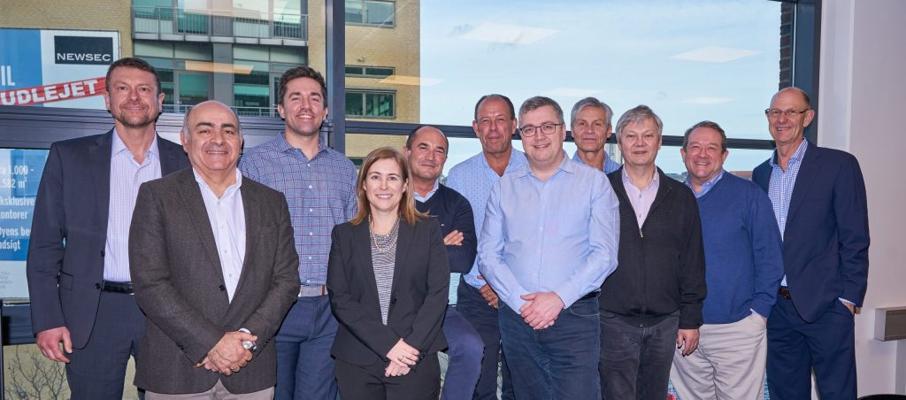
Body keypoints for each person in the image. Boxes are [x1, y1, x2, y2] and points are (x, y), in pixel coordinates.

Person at [26, 57, 189, 399]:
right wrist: (47, 319)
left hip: (167, 312)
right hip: (92, 312)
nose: (134, 97)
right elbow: (44, 245)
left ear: (159, 101)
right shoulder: (69, 158)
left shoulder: (187, 163)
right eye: (123, 88)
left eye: (144, 89)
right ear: (107, 100)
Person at [128, 100, 300, 398]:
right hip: (178, 370)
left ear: (240, 141)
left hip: (251, 369)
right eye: (204, 130)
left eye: (228, 131)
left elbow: (286, 281)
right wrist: (212, 342)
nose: (218, 140)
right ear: (185, 140)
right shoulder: (157, 196)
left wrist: (245, 340)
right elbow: (150, 283)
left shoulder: (272, 202)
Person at [479, 96, 620, 399]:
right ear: (520, 134)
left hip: (574, 317)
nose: (538, 136)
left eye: (547, 126)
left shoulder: (594, 184)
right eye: (529, 129)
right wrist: (521, 303)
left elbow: (605, 255)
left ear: (562, 130)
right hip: (518, 318)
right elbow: (488, 256)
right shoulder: (504, 187)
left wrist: (558, 298)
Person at [239, 65, 357, 400]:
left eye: (314, 98)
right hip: (274, 306)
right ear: (280, 109)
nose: (306, 105)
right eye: (296, 97)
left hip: (330, 308)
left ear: (325, 110)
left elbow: (354, 238)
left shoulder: (344, 168)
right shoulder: (254, 164)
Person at [753, 87, 869, 399]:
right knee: (785, 394)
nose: (782, 119)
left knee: (837, 393)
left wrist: (847, 299)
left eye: (791, 112)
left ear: (808, 117)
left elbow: (855, 236)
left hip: (827, 306)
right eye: (775, 112)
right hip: (778, 309)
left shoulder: (838, 165)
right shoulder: (761, 174)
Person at [598, 105, 706, 400]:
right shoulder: (601, 190)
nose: (640, 143)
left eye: (648, 135)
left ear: (659, 142)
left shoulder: (681, 196)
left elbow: (693, 262)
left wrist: (690, 319)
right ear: (619, 141)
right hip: (613, 320)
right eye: (631, 136)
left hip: (665, 322)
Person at [670, 121, 784, 399]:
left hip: (737, 328)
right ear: (683, 154)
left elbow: (771, 257)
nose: (702, 154)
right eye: (695, 147)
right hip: (683, 326)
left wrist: (758, 314)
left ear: (724, 155)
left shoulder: (749, 196)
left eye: (712, 148)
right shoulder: (671, 199)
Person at [327, 146, 449, 399]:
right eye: (375, 177)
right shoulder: (343, 235)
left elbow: (437, 295)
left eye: (392, 177)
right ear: (363, 185)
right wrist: (389, 345)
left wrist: (408, 349)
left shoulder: (428, 230)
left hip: (415, 356)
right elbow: (340, 299)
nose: (383, 186)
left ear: (405, 185)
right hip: (357, 360)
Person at [446, 94, 525, 399]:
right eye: (485, 121)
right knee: (481, 382)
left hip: (525, 294)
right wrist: (486, 282)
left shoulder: (533, 168)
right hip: (478, 293)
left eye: (500, 120)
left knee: (524, 382)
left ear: (514, 125)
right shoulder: (459, 176)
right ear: (475, 127)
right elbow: (458, 240)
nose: (493, 128)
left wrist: (508, 286)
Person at [405, 125, 484, 400]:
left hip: (439, 308)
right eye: (423, 147)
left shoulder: (457, 203)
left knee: (471, 347)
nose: (431, 156)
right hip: (389, 308)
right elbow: (381, 257)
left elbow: (463, 260)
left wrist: (412, 249)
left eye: (439, 151)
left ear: (445, 159)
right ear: (407, 152)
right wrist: (439, 245)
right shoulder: (388, 196)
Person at [570, 97, 621, 173]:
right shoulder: (557, 177)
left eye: (597, 124)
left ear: (609, 130)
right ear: (572, 130)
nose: (589, 130)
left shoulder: (625, 177)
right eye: (582, 124)